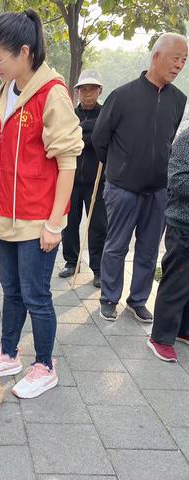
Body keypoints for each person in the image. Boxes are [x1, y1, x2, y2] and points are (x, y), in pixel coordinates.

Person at [0, 10, 83, 399]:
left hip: (37, 217)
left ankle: (44, 364)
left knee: (36, 295)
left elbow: (68, 162)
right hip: (5, 214)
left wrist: (55, 223)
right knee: (11, 291)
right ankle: (9, 353)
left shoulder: (52, 93)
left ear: (24, 52)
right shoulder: (8, 88)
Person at [92, 33, 187, 322]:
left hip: (159, 190)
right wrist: (120, 168)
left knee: (148, 250)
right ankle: (109, 297)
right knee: (117, 245)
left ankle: (138, 299)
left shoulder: (178, 100)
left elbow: (169, 140)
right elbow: (100, 139)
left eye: (184, 61)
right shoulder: (122, 95)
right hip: (122, 189)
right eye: (175, 59)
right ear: (156, 57)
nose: (179, 65)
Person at [59, 69, 107, 288]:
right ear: (77, 92)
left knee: (98, 225)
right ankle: (71, 261)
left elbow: (102, 138)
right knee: (69, 223)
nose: (87, 94)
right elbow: (67, 137)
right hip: (70, 179)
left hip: (98, 180)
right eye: (83, 90)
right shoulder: (69, 114)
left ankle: (98, 268)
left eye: (92, 89)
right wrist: (88, 131)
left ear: (99, 91)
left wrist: (84, 132)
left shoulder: (107, 114)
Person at [147, 126, 189, 362]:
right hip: (183, 224)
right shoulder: (186, 139)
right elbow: (178, 181)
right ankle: (160, 338)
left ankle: (184, 330)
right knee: (175, 281)